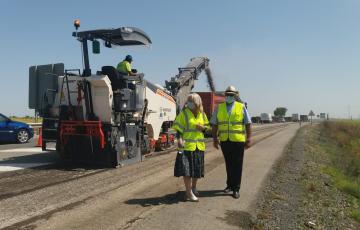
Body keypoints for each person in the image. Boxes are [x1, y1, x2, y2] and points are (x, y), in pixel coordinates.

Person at [210, 86, 252, 199]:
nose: (229, 96)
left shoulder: (241, 107)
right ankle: (229, 185)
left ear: (235, 96)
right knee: (228, 164)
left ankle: (236, 188)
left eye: (231, 95)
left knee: (237, 165)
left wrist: (248, 139)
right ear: (225, 95)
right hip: (225, 141)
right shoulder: (219, 107)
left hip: (238, 141)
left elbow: (248, 123)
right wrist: (214, 140)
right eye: (227, 94)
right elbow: (214, 124)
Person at [172, 93, 210, 202]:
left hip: (199, 146)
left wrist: (203, 128)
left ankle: (193, 187)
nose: (189, 103)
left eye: (191, 101)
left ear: (197, 103)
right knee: (187, 171)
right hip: (187, 147)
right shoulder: (184, 113)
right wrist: (179, 139)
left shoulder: (202, 114)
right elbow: (178, 128)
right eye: (188, 101)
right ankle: (188, 192)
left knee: (197, 171)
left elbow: (207, 128)